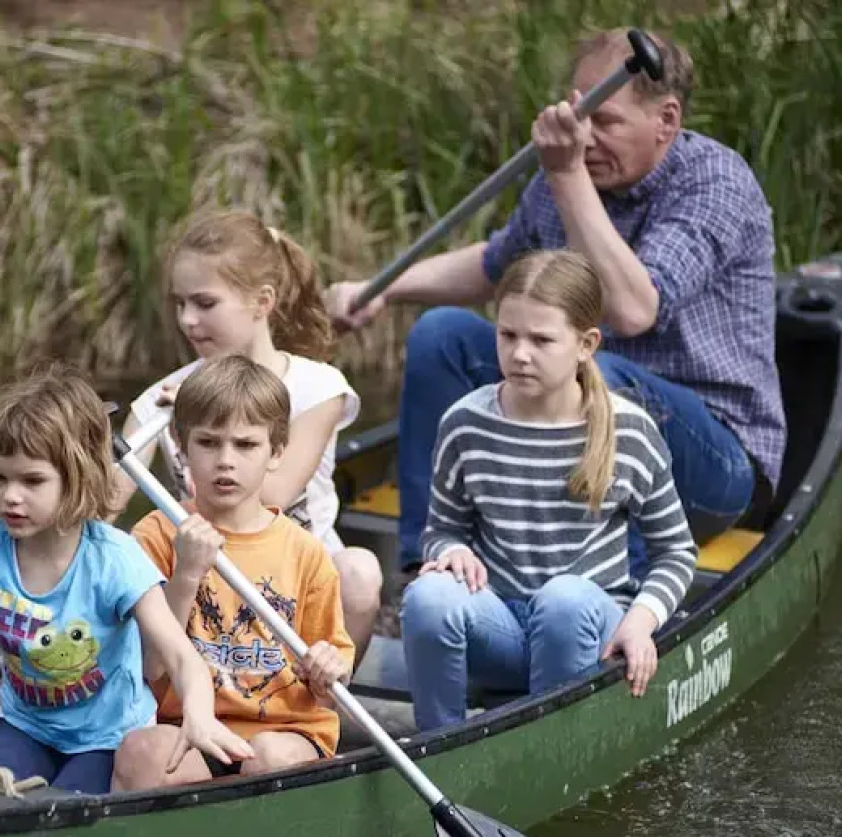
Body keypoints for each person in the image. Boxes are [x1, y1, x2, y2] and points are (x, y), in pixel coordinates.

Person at [324, 30, 784, 573]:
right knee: (441, 336)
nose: (586, 138)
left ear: (667, 120)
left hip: (712, 462)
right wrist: (381, 289)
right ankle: (429, 567)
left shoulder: (714, 181)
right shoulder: (566, 175)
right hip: (575, 418)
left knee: (600, 377)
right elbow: (495, 263)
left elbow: (634, 312)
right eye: (579, 116)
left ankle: (612, 597)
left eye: (606, 122)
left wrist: (566, 174)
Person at [0, 365, 236, 793]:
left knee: (63, 808)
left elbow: (180, 656)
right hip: (27, 727)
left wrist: (199, 714)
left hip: (106, 739)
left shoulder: (115, 559)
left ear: (77, 479)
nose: (10, 496)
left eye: (32, 481)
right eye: (0, 477)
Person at [399, 250, 697, 730]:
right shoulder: (466, 423)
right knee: (426, 595)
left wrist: (641, 622)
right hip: (502, 627)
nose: (519, 353)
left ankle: (549, 745)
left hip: (587, 627)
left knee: (564, 600)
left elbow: (676, 552)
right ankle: (438, 749)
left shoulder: (629, 432)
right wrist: (451, 550)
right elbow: (441, 529)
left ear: (585, 344)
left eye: (541, 340)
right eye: (508, 335)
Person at [117, 209, 382, 661]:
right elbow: (103, 503)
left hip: (296, 579)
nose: (187, 319)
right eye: (179, 303)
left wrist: (203, 408)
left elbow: (272, 492)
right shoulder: (159, 401)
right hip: (204, 574)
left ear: (262, 302)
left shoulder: (319, 388)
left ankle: (326, 704)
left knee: (360, 571)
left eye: (204, 303)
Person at [112, 358, 356, 789]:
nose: (226, 461)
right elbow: (148, 667)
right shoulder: (154, 535)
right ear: (181, 447)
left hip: (286, 733)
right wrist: (186, 573)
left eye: (245, 445)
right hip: (187, 727)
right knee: (140, 752)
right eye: (208, 443)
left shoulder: (305, 553)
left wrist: (326, 669)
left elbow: (332, 691)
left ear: (276, 452)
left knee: (267, 757)